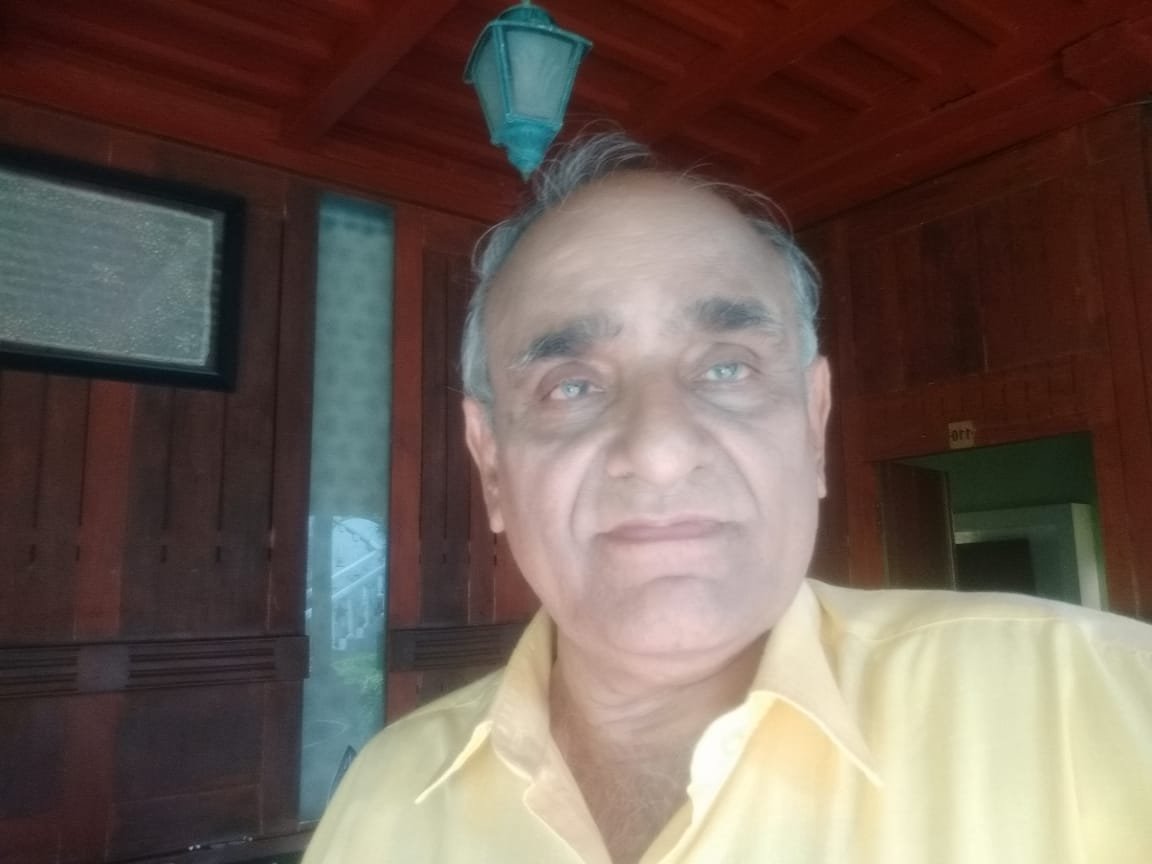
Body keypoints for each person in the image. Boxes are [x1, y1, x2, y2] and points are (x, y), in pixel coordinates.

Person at [303, 134, 1152, 864]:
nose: (660, 450)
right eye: (571, 385)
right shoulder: (385, 800)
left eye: (727, 368)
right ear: (491, 464)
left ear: (812, 426)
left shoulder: (1107, 704)